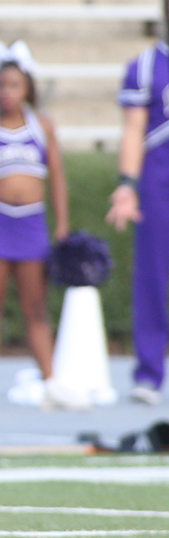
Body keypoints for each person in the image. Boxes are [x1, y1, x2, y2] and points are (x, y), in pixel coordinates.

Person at [0, 41, 78, 412]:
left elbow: (57, 177)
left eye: (14, 85)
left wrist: (61, 224)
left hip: (31, 223)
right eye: (1, 85)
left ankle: (51, 382)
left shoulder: (43, 126)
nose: (7, 92)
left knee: (36, 306)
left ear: (28, 87)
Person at [108, 34, 169, 404]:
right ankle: (149, 371)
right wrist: (127, 184)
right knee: (153, 279)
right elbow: (134, 128)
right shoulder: (146, 65)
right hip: (159, 183)